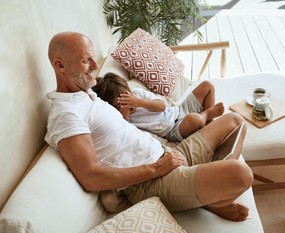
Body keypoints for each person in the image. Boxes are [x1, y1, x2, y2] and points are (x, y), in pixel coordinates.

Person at [44, 31, 253, 221]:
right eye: (85, 61)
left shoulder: (87, 94)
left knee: (236, 121)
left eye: (92, 58)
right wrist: (156, 169)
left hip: (167, 154)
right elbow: (90, 177)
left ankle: (208, 195)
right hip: (149, 182)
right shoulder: (66, 115)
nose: (95, 66)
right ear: (60, 66)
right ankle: (209, 196)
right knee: (241, 174)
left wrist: (163, 159)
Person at [92, 72, 224, 142]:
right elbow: (124, 128)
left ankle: (209, 125)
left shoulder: (137, 94)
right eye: (120, 104)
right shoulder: (121, 119)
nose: (128, 103)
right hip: (173, 129)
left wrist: (139, 102)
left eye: (127, 96)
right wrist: (124, 112)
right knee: (195, 119)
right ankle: (207, 115)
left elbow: (162, 106)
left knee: (207, 86)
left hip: (177, 110)